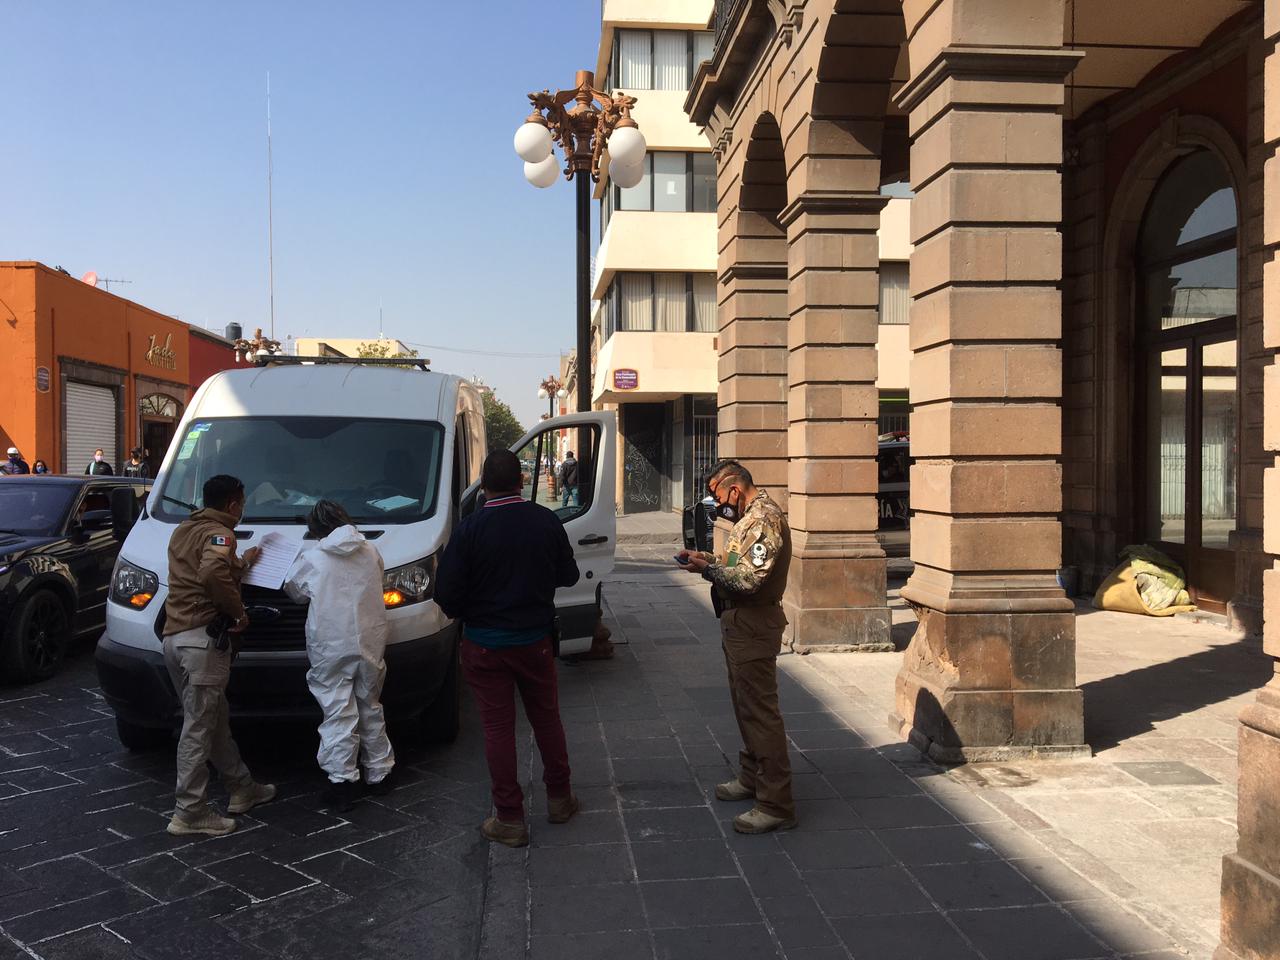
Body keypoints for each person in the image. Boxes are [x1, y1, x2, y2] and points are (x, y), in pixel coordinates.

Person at [435, 449, 580, 847]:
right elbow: (568, 576)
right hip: (535, 641)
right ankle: (560, 799)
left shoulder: (469, 530)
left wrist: (474, 612)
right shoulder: (545, 521)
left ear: (483, 486)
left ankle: (510, 818)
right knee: (547, 719)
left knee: (498, 729)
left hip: (484, 644)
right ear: (521, 482)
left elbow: (445, 594)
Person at [678, 459, 796, 834]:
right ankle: (751, 777)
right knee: (746, 707)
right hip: (740, 623)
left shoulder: (763, 520)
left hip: (754, 624)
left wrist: (706, 571)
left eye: (716, 496)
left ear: (733, 488)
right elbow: (736, 562)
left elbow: (749, 580)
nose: (716, 505)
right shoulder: (748, 520)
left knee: (760, 713)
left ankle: (776, 803)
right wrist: (707, 559)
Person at [162, 474, 276, 836]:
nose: (242, 510)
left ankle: (242, 787)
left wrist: (243, 561)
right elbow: (211, 570)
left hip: (175, 639)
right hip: (203, 643)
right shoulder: (221, 534)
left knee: (214, 722)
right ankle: (189, 811)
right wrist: (239, 613)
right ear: (232, 505)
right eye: (242, 503)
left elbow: (200, 567)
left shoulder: (184, 529)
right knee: (198, 728)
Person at [284, 500, 395, 811]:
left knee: (338, 710)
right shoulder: (371, 551)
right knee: (370, 704)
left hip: (331, 643)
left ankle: (343, 781)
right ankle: (380, 772)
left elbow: (295, 591)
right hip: (370, 639)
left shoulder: (314, 557)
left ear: (316, 529)